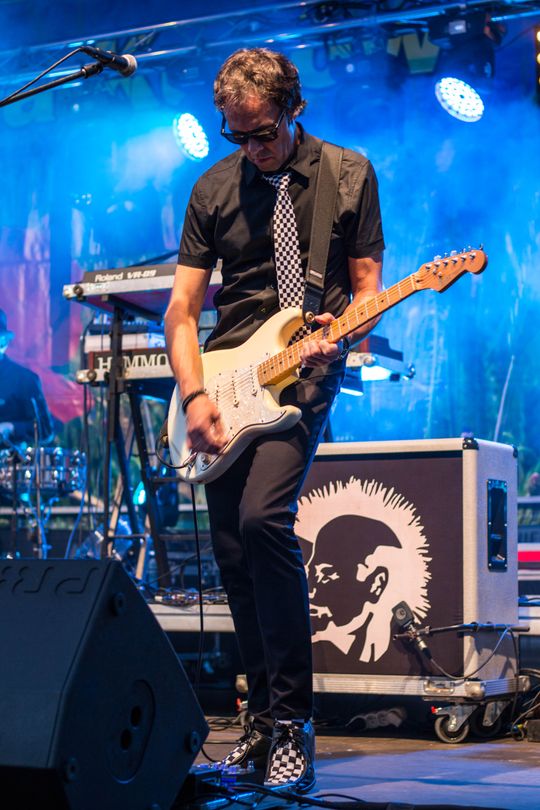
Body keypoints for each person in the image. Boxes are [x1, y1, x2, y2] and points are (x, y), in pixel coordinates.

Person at [164, 47, 384, 792]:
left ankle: (294, 722)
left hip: (308, 368)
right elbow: (182, 312)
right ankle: (258, 724)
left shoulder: (348, 175)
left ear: (295, 110)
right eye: (238, 136)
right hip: (230, 377)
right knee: (231, 549)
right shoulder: (212, 188)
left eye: (263, 133)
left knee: (263, 520)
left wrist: (343, 330)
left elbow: (367, 289)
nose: (252, 149)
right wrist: (196, 396)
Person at [0, 308, 54, 446]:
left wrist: (11, 427)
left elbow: (44, 429)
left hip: (9, 456)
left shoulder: (24, 379)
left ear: (3, 342)